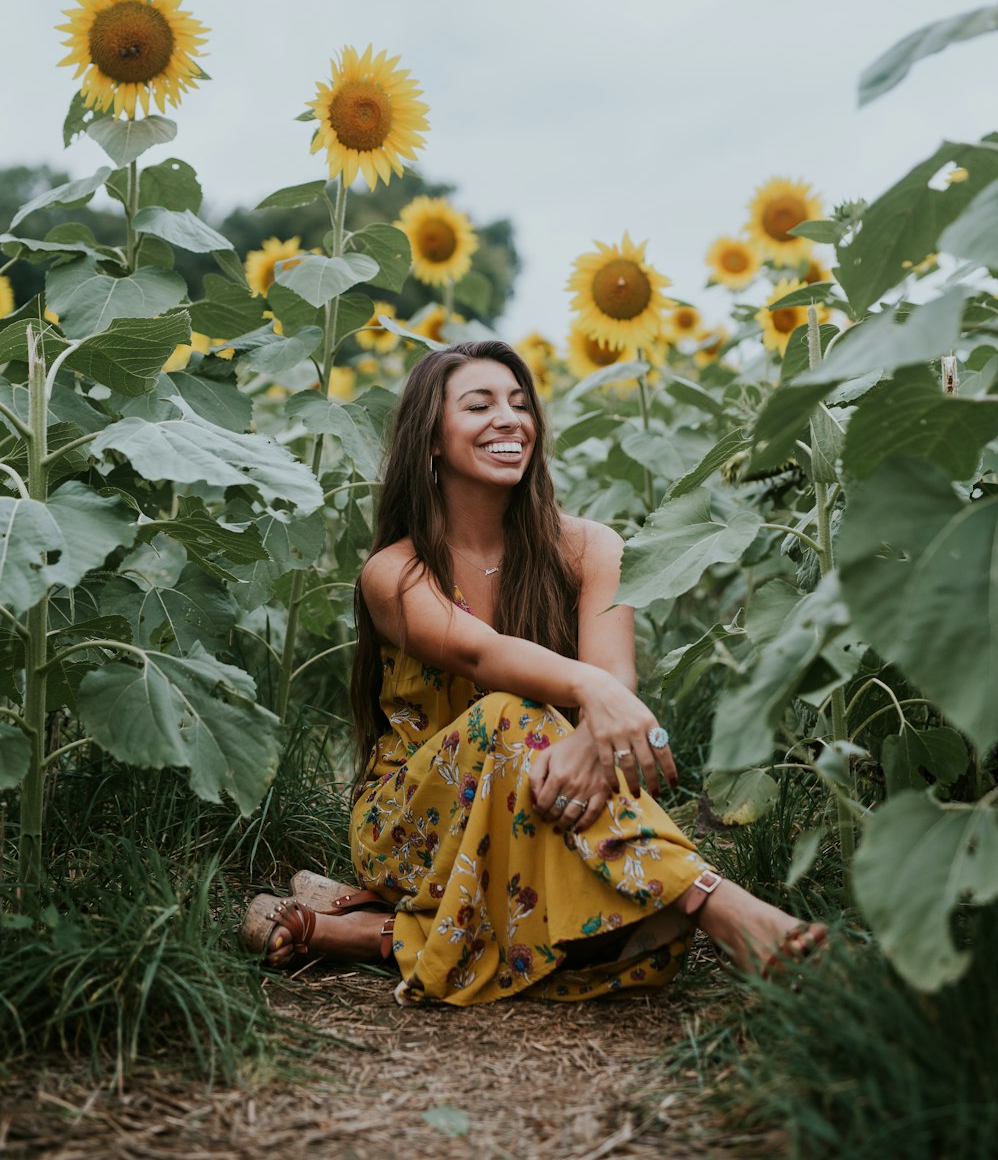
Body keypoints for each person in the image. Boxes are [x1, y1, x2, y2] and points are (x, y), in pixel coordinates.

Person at [240, 340, 825, 1003]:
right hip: (411, 824)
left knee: (630, 932)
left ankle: (351, 932)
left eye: (521, 404)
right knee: (507, 712)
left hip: (552, 792)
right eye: (480, 404)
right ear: (430, 438)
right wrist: (594, 693)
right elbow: (486, 658)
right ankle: (715, 901)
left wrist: (593, 727)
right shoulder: (394, 573)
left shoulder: (591, 547)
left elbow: (613, 678)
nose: (510, 419)